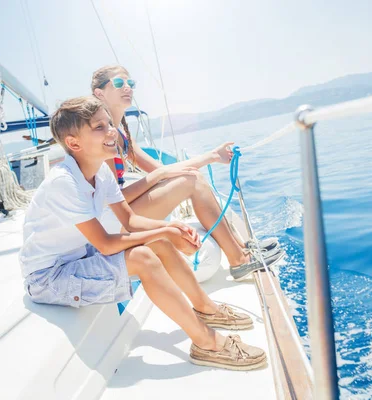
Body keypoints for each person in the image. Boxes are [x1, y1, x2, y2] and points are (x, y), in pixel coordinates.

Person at [19, 95, 266, 370]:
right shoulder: (64, 183)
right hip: (48, 278)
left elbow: (130, 219)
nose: (111, 131)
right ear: (74, 143)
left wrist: (172, 228)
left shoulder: (100, 172)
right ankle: (207, 343)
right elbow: (105, 244)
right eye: (99, 127)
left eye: (109, 124)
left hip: (78, 256)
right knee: (144, 257)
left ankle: (206, 308)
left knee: (157, 243)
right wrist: (166, 232)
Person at [92, 65, 282, 281]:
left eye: (130, 83)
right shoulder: (103, 138)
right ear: (99, 93)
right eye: (118, 83)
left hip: (120, 215)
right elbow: (113, 199)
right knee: (191, 181)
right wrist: (156, 178)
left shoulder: (121, 135)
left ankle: (242, 248)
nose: (127, 88)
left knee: (193, 178)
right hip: (112, 223)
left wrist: (212, 156)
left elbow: (160, 168)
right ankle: (239, 261)